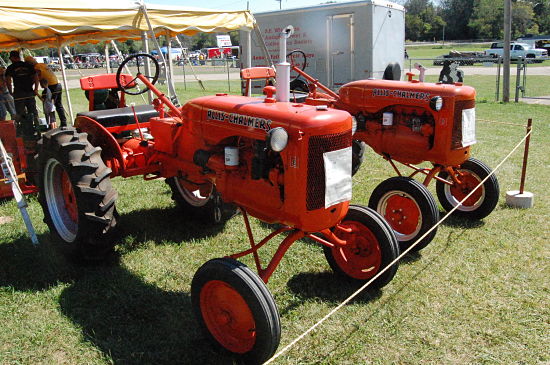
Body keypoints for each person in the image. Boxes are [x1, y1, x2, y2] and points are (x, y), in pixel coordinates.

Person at [25, 56, 67, 127]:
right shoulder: (42, 64)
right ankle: (63, 122)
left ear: (29, 63)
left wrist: (35, 89)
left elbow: (37, 78)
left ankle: (53, 125)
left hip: (52, 86)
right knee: (58, 105)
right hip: (58, 84)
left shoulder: (36, 68)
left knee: (50, 107)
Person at [5, 50, 39, 134]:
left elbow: (8, 81)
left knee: (20, 112)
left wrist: (10, 91)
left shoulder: (10, 67)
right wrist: (36, 89)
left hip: (19, 93)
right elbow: (36, 77)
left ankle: (23, 130)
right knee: (33, 111)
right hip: (29, 91)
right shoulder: (28, 65)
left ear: (13, 58)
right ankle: (37, 129)